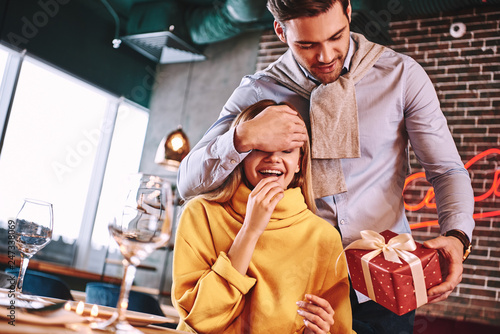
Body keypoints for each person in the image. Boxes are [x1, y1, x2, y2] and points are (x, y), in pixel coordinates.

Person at [177, 0, 475, 333]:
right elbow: (187, 181)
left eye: (336, 36)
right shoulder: (258, 91)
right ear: (281, 31)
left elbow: (447, 170)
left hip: (386, 279)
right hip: (298, 282)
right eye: (307, 44)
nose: (326, 55)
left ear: (348, 12)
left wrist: (457, 236)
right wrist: (242, 135)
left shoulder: (402, 75)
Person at [172, 100, 354, 334]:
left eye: (286, 150)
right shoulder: (200, 214)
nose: (273, 159)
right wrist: (250, 230)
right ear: (242, 155)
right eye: (261, 148)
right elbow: (197, 319)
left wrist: (320, 331)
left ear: (299, 161)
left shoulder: (325, 237)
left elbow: (338, 328)